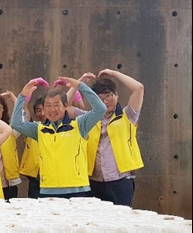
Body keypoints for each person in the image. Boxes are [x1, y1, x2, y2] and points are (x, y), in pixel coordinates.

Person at [10, 76, 107, 198]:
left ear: (65, 106)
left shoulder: (79, 124)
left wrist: (80, 86)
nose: (52, 109)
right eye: (48, 105)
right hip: (47, 190)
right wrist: (22, 96)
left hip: (77, 189)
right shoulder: (38, 129)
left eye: (56, 105)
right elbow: (16, 124)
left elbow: (100, 109)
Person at [87, 69, 144, 206]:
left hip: (120, 180)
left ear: (116, 95)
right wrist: (80, 83)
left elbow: (138, 88)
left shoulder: (127, 115)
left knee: (122, 217)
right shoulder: (88, 118)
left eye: (108, 96)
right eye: (99, 98)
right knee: (96, 218)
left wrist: (114, 73)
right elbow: (66, 108)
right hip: (94, 180)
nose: (105, 101)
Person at [18, 96, 45, 198]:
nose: (42, 113)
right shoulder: (32, 127)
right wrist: (27, 95)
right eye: (38, 110)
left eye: (44, 109)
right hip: (34, 176)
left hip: (51, 176)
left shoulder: (58, 128)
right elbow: (25, 112)